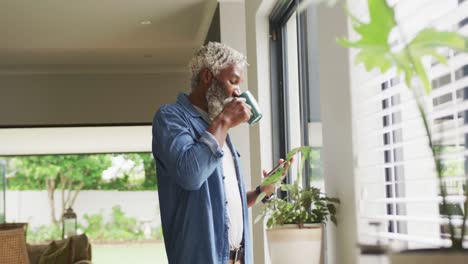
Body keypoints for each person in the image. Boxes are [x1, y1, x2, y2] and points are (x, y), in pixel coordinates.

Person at [152, 42, 287, 264]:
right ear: (207, 77)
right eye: (233, 81)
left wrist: (263, 190)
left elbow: (222, 202)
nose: (237, 92)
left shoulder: (218, 130)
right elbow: (190, 175)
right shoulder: (171, 118)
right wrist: (224, 120)